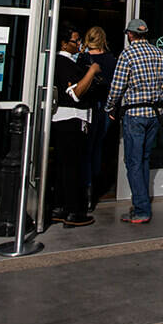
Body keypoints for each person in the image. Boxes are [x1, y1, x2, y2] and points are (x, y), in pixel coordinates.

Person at [107, 19, 163, 224]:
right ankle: (142, 201)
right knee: (143, 159)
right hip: (154, 114)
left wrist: (110, 107)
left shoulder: (128, 55)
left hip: (134, 114)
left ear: (130, 34)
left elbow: (117, 87)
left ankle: (141, 209)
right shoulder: (161, 55)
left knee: (134, 162)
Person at [50, 24, 103, 227]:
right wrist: (92, 71)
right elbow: (75, 93)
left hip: (67, 120)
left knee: (65, 165)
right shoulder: (64, 63)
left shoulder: (68, 62)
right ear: (64, 43)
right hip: (71, 120)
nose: (79, 44)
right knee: (73, 166)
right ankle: (74, 210)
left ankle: (60, 207)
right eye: (75, 41)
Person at [79, 26, 117, 207]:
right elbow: (116, 85)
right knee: (98, 147)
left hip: (88, 106)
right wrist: (113, 109)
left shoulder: (84, 58)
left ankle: (86, 190)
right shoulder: (110, 59)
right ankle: (95, 186)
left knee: (86, 148)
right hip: (105, 107)